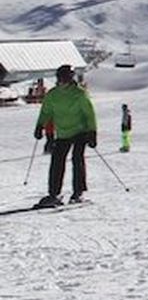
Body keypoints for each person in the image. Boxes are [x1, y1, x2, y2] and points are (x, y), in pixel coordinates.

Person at [33, 64, 96, 207]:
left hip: (80, 131)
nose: (62, 81)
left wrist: (92, 132)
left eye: (65, 78)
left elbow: (89, 114)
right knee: (57, 160)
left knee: (77, 158)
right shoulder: (52, 95)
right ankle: (54, 193)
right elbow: (46, 112)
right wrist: (40, 126)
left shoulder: (79, 94)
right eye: (61, 78)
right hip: (63, 132)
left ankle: (78, 192)